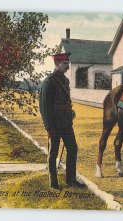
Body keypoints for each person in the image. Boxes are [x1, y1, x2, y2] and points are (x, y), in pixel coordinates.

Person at [39, 52, 86, 190]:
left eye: (68, 63)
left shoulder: (65, 81)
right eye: (65, 64)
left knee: (73, 148)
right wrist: (48, 126)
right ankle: (53, 183)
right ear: (58, 64)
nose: (68, 66)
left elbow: (65, 100)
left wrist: (70, 112)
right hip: (54, 124)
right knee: (53, 153)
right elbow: (44, 107)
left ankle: (70, 180)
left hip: (66, 123)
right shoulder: (48, 82)